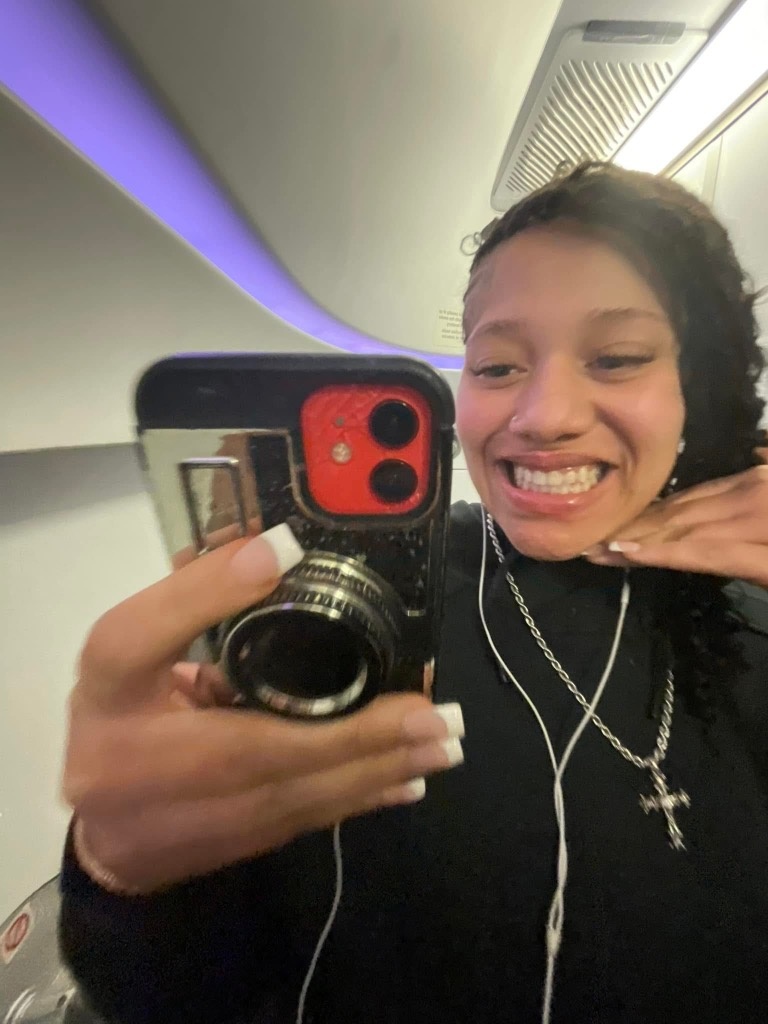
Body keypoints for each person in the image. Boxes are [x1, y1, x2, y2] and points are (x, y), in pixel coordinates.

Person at [59, 163, 768, 1024]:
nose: (545, 414)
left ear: (697, 387)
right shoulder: (338, 613)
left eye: (616, 359)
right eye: (497, 365)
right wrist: (121, 875)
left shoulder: (751, 621)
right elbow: (188, 998)